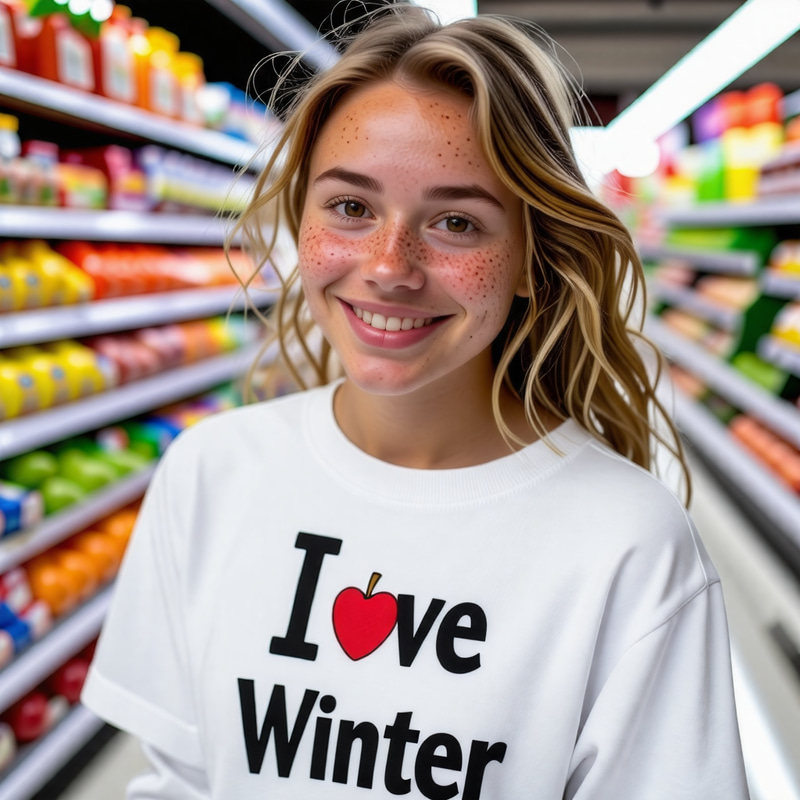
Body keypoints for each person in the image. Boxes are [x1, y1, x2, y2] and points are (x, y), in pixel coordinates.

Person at [81, 6, 750, 798]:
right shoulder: (212, 473)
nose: (388, 266)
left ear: (532, 258)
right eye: (351, 207)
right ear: (301, 218)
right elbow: (185, 781)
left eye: (457, 222)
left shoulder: (628, 545)